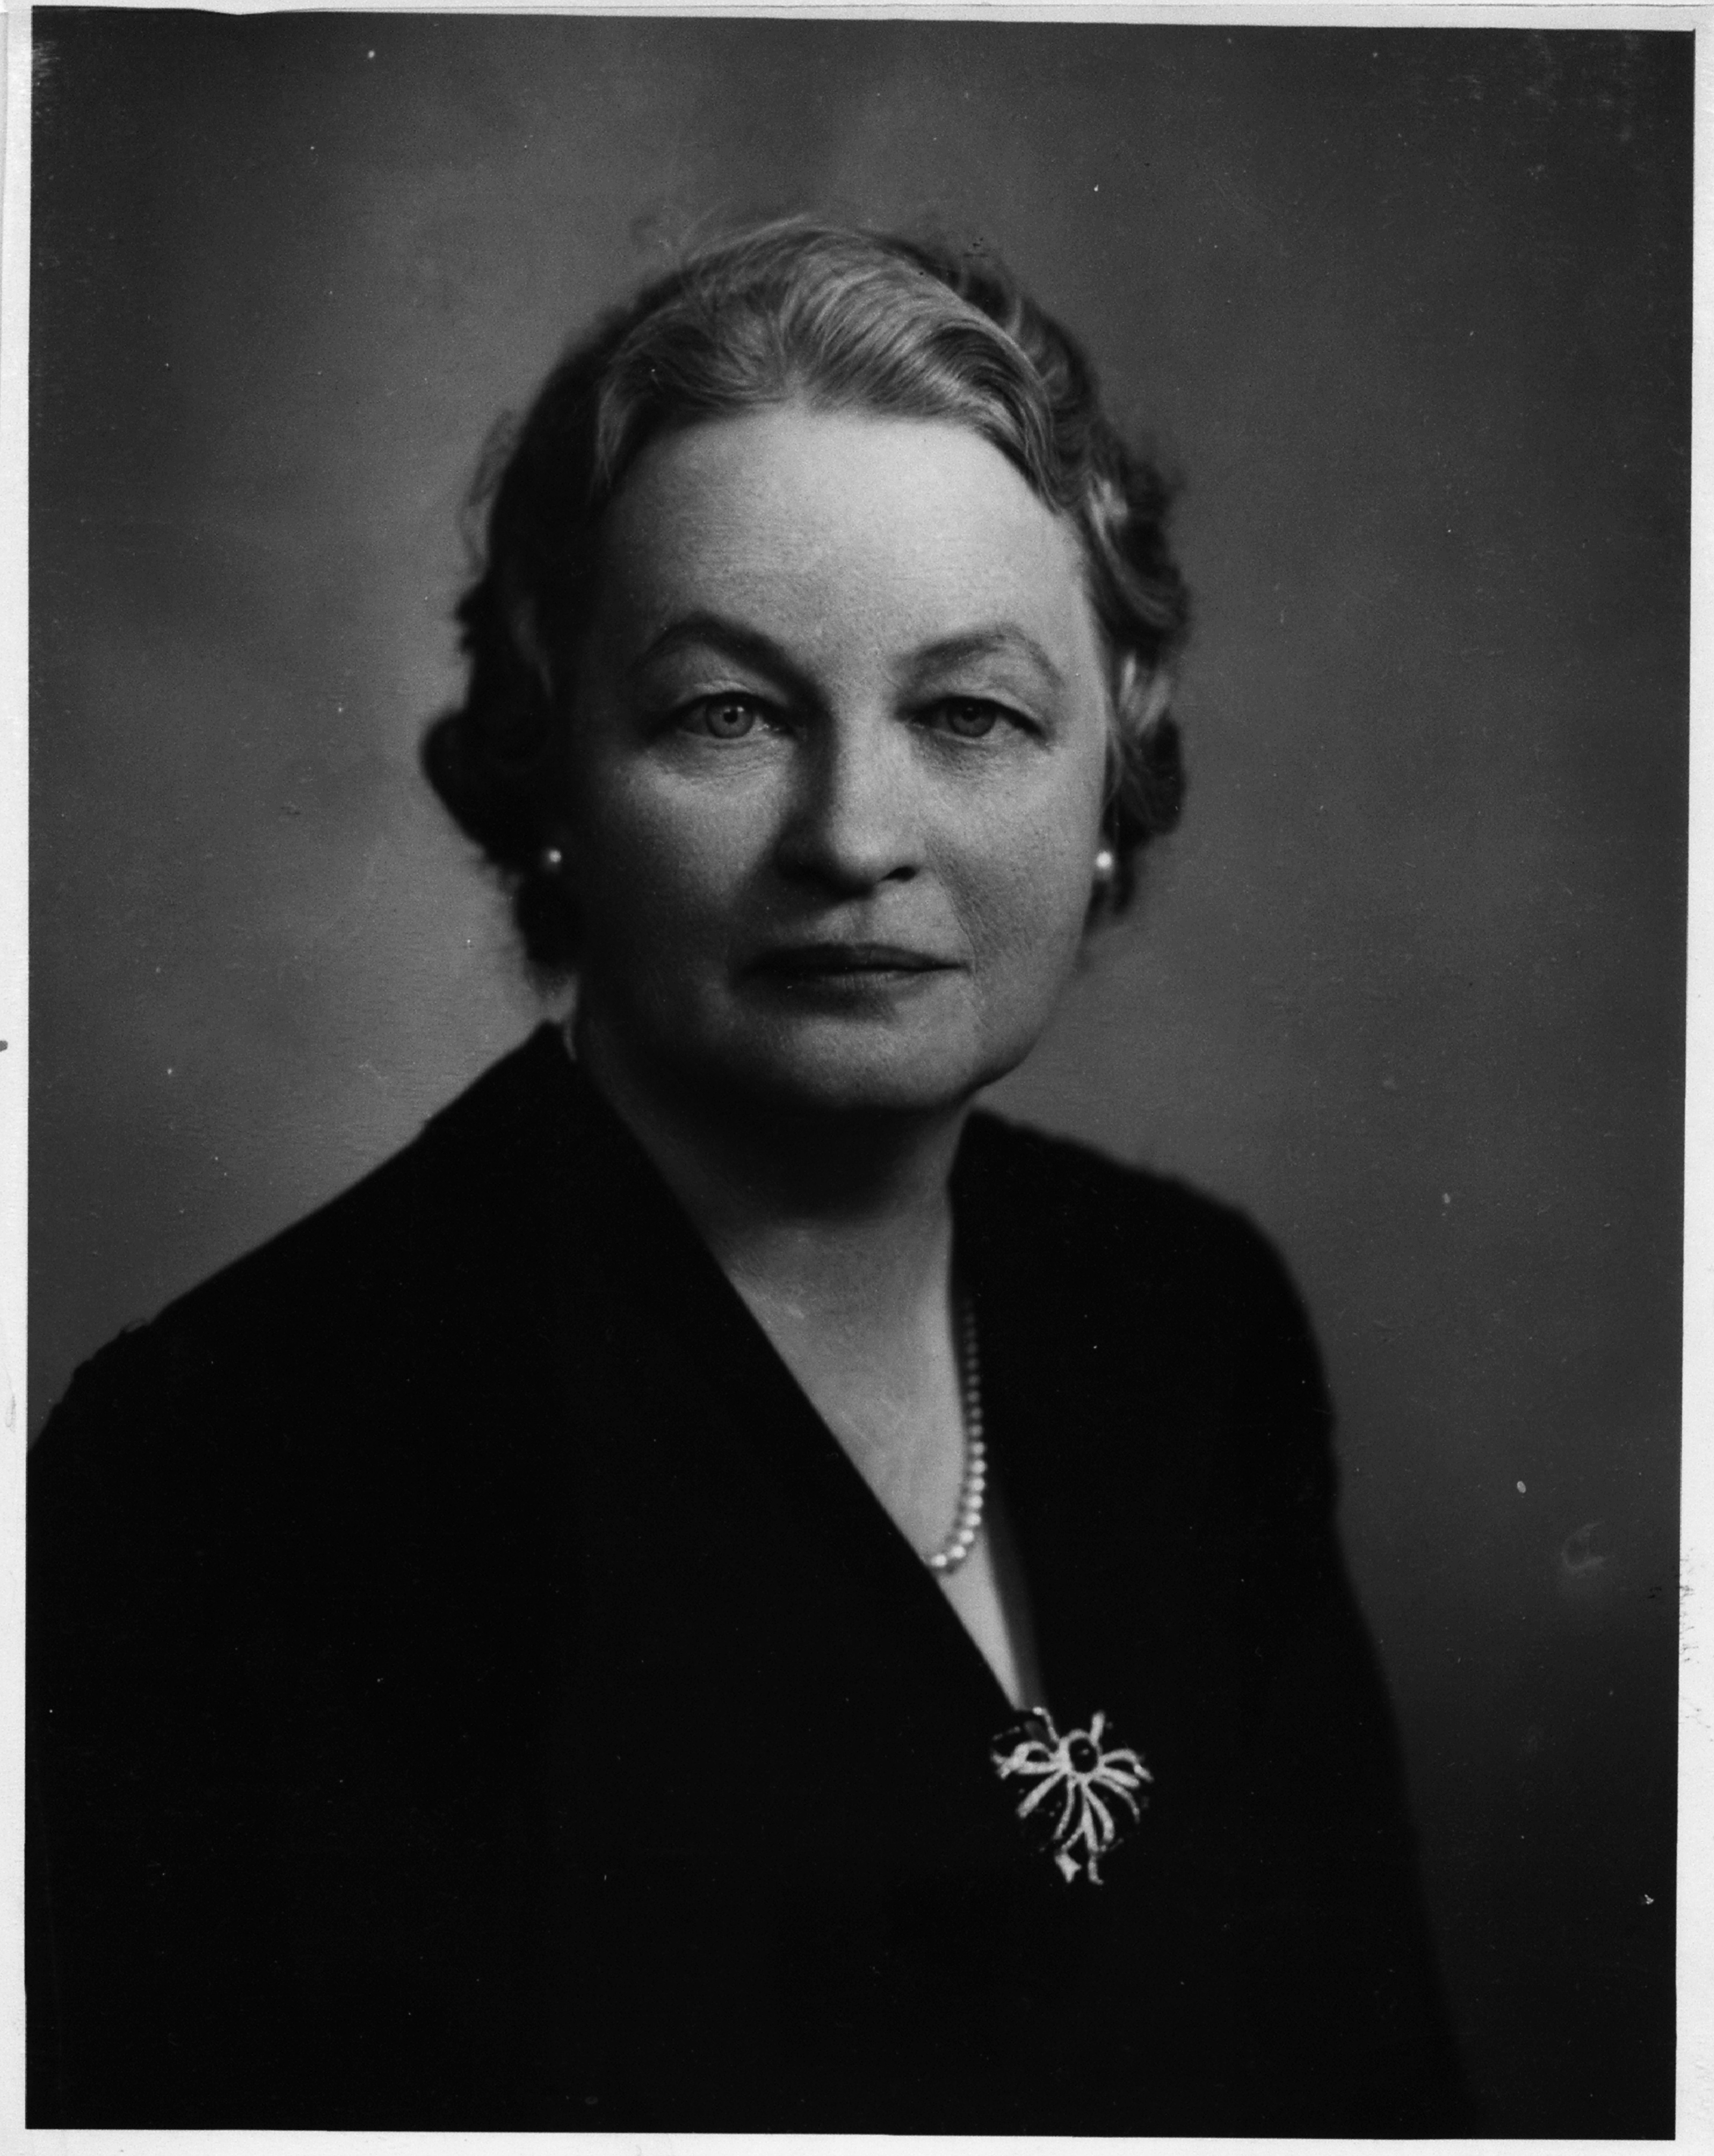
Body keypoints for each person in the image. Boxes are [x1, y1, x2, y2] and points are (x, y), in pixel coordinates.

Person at [27, 221, 1471, 2132]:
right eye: (727, 711)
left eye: (969, 713)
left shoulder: (1189, 1320)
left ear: (1111, 785)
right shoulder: (226, 1465)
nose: (854, 835)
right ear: (553, 770)